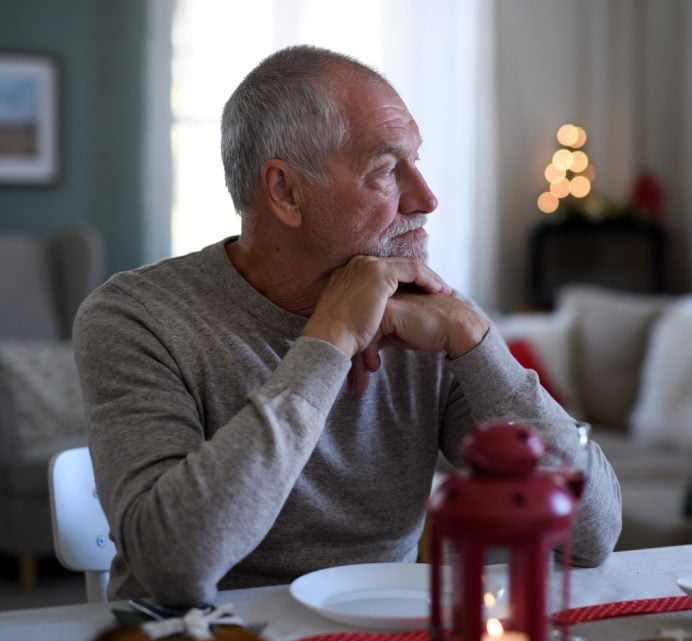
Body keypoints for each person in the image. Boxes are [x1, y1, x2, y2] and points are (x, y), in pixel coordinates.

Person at [73, 45, 622, 606]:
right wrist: (328, 340)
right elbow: (174, 566)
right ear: (285, 191)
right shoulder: (136, 318)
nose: (427, 199)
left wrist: (480, 342)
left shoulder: (427, 318)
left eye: (417, 162)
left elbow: (591, 535)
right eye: (387, 169)